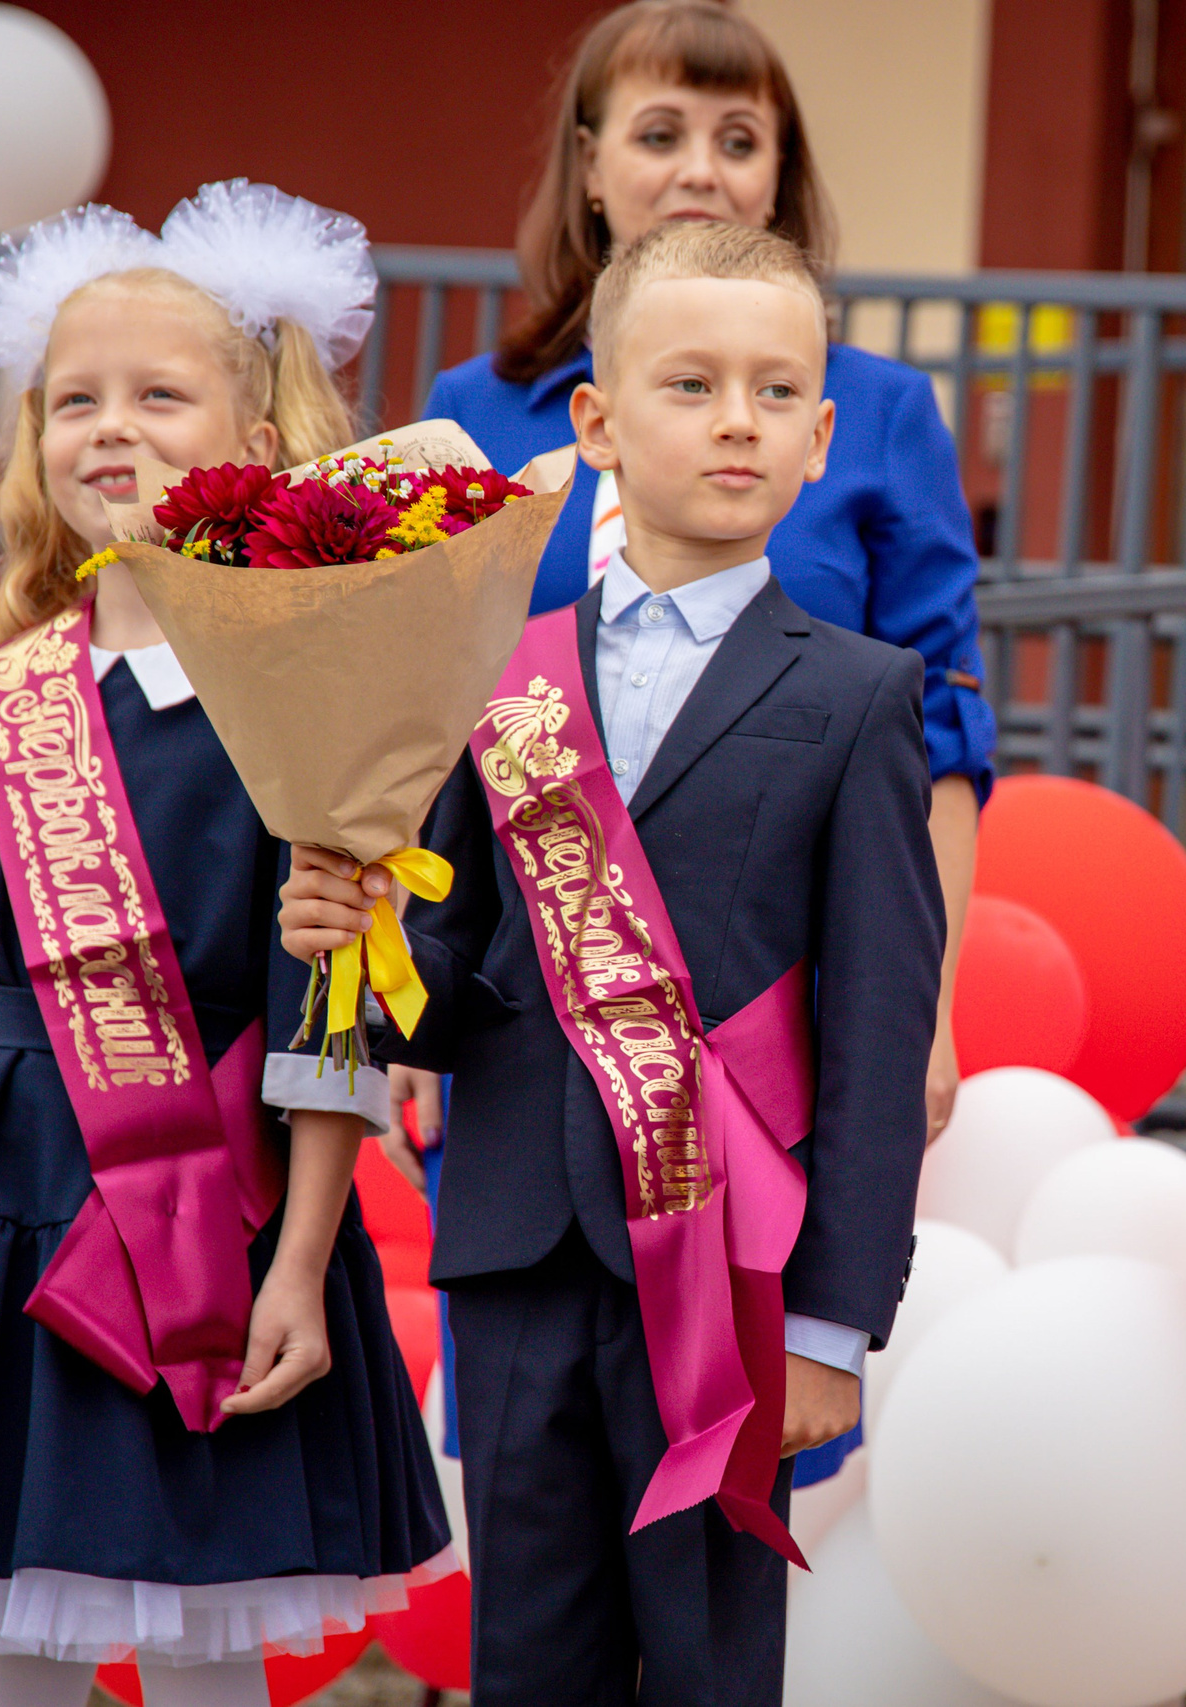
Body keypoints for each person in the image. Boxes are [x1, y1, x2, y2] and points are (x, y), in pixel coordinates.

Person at [0, 185, 451, 1707]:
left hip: (222, 1206)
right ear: (35, 442)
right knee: (18, 1611)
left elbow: (325, 1005)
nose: (109, 429)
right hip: (3, 1198)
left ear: (258, 441)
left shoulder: (306, 697)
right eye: (75, 401)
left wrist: (309, 1252)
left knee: (204, 1604)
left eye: (158, 395)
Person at [278, 219, 944, 1707]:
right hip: (513, 1247)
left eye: (778, 393)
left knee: (711, 1656)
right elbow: (446, 985)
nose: (736, 421)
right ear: (593, 422)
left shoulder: (860, 695)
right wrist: (366, 938)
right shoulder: (491, 666)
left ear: (825, 433)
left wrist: (834, 1326)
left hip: (723, 1260)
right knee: (532, 1651)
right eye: (692, 383)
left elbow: (881, 1020)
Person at [400, 0, 988, 1182]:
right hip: (526, 991)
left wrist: (924, 1002)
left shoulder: (872, 413)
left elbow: (941, 740)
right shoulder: (477, 411)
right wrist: (419, 972)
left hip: (775, 1002)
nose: (699, 172)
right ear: (592, 165)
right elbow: (425, 714)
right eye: (661, 133)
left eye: (738, 140)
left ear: (778, 177)